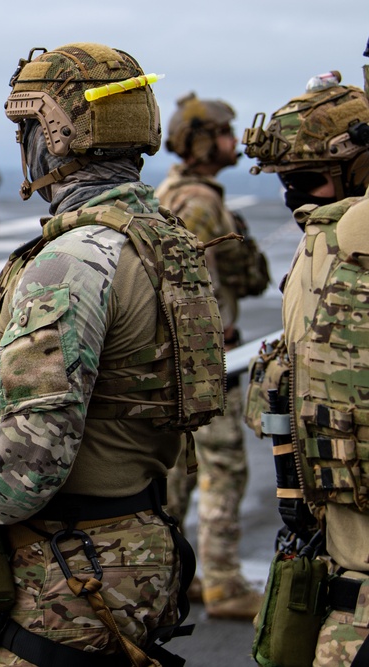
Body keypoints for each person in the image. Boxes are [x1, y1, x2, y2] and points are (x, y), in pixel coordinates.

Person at [0, 42, 224, 666]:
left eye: (27, 128)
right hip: (139, 543)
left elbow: (35, 452)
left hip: (72, 569)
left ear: (54, 135)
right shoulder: (164, 240)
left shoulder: (72, 261)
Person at [241, 69, 369, 665]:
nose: (296, 200)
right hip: (330, 550)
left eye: (309, 181)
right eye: (285, 184)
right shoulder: (319, 245)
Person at [155, 92, 266, 620]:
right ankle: (221, 579)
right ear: (202, 142)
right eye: (224, 132)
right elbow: (187, 285)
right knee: (222, 466)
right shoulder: (198, 203)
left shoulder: (177, 192)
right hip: (203, 359)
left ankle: (171, 579)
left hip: (179, 360)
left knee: (176, 474)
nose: (233, 141)